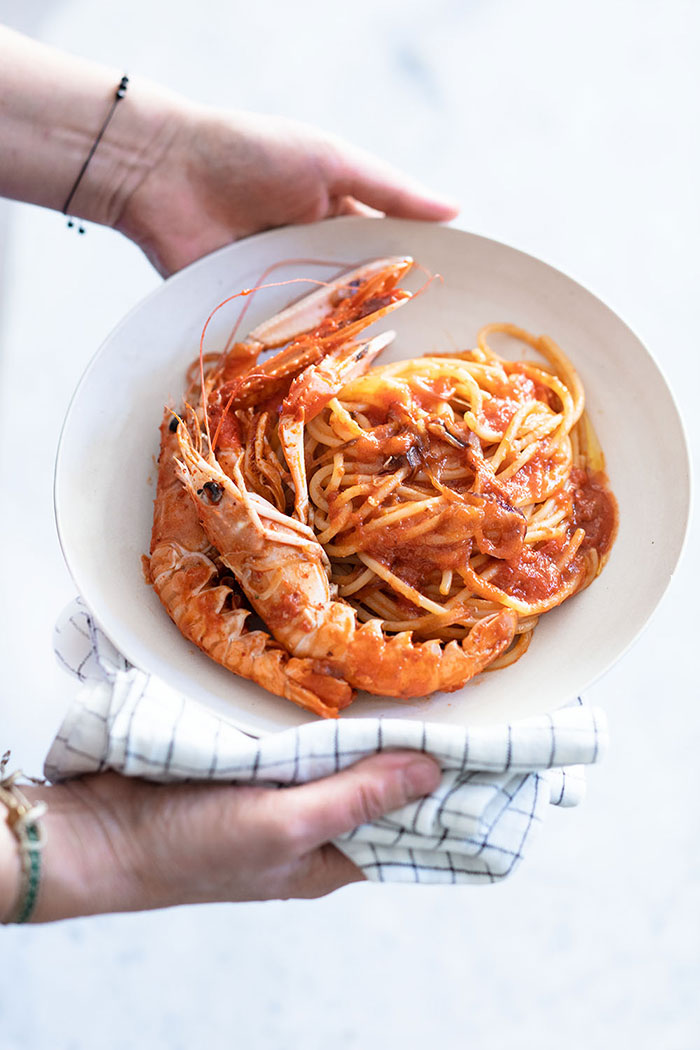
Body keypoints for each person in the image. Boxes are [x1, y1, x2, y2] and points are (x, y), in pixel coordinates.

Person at [0, 25, 455, 923]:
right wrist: (104, 851)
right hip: (333, 653)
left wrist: (145, 161)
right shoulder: (207, 563)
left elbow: (215, 444)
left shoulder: (199, 498)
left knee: (211, 414)